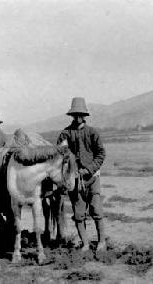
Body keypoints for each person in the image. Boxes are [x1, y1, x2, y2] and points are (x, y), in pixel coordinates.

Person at [57, 97, 107, 252]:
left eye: (81, 114)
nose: (78, 117)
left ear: (85, 115)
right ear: (72, 115)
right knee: (79, 214)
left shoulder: (92, 133)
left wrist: (89, 169)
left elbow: (101, 154)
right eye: (75, 114)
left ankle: (102, 242)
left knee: (96, 210)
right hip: (75, 180)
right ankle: (85, 243)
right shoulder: (65, 134)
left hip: (92, 178)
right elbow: (60, 155)